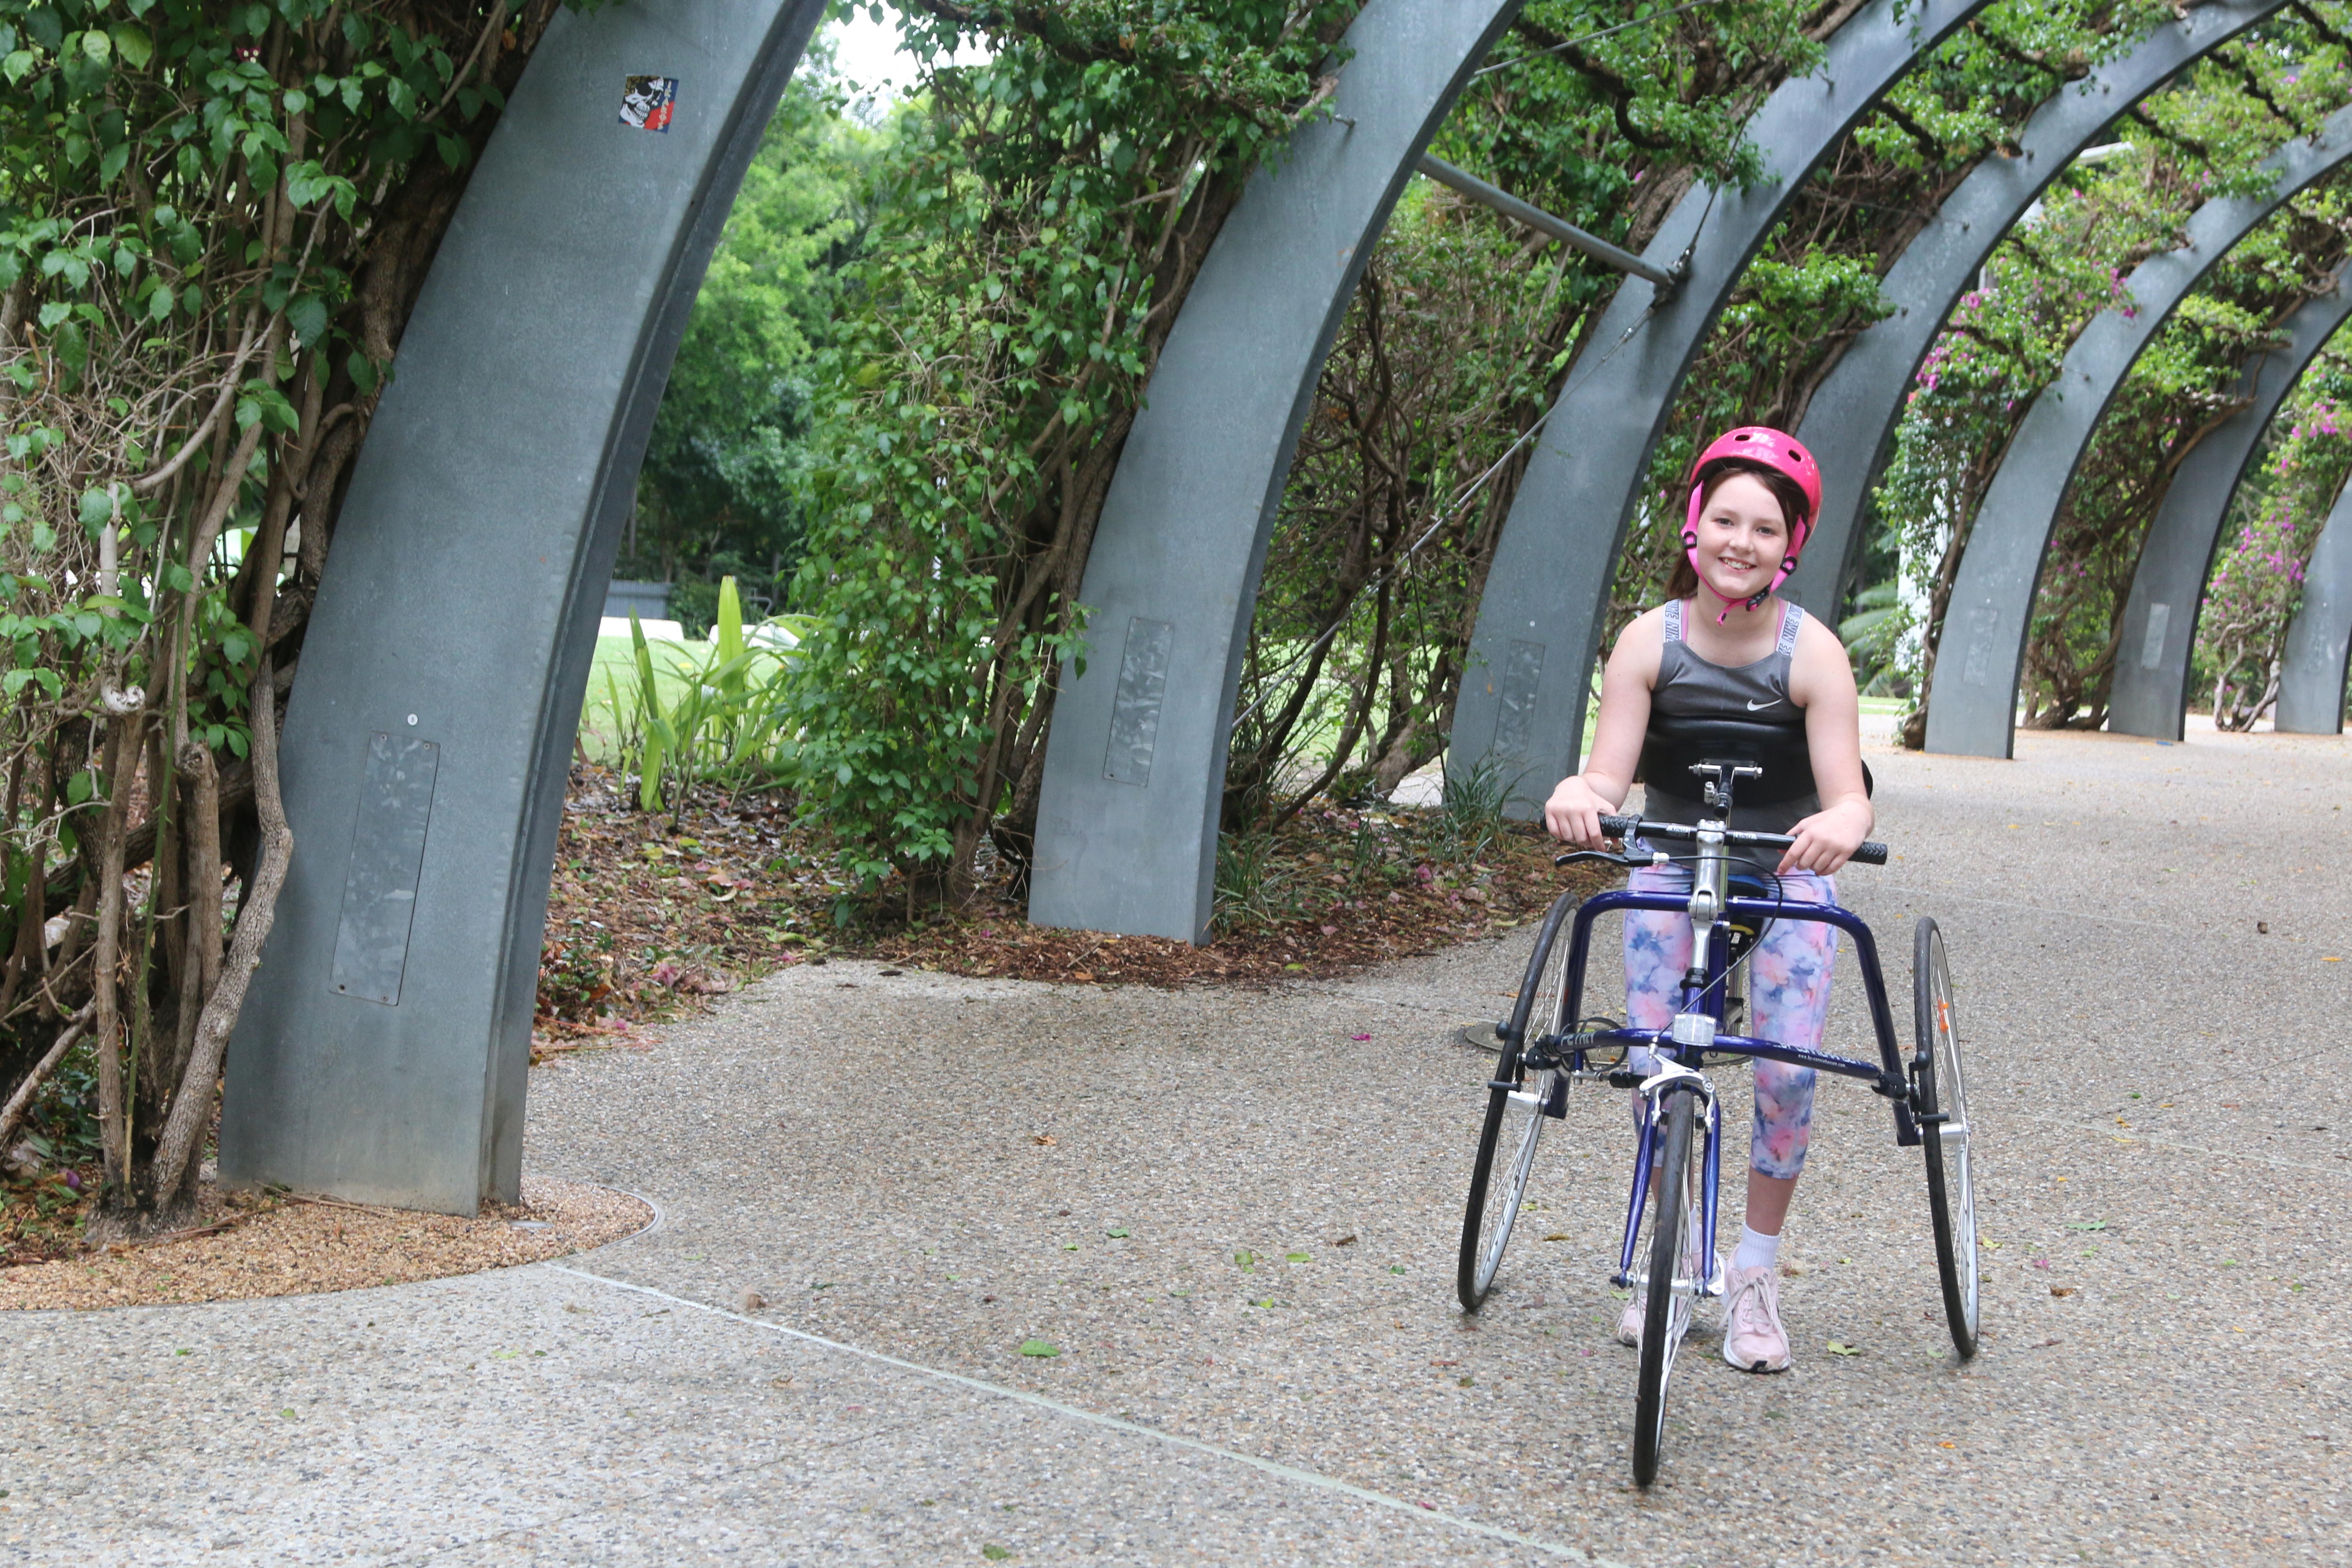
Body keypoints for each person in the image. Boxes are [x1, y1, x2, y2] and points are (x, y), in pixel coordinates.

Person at [1542, 425, 1874, 1374]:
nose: (1741, 540)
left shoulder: (1815, 655)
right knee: (1655, 1059)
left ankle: (1755, 1272)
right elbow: (1609, 777)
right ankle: (1670, 1259)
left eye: (1764, 527)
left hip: (1783, 868)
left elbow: (1845, 791)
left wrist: (1841, 825)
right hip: (1670, 858)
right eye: (1723, 517)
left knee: (1786, 1070)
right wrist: (1581, 794)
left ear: (1790, 544)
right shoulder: (1649, 641)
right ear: (1693, 526)